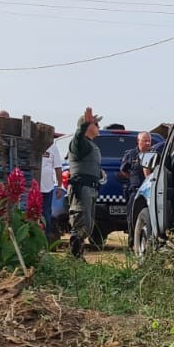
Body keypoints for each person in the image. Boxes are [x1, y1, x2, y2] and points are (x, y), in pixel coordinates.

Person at [66, 108, 102, 259]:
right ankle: (74, 258)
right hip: (82, 189)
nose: (99, 127)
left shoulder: (90, 145)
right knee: (80, 222)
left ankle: (78, 255)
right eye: (96, 124)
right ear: (87, 126)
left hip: (91, 189)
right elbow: (78, 138)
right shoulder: (80, 143)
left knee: (87, 225)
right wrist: (82, 127)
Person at [39, 134, 64, 241]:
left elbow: (58, 167)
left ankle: (46, 240)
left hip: (47, 188)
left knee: (46, 215)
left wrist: (59, 186)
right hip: (32, 187)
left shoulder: (52, 146)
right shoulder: (32, 143)